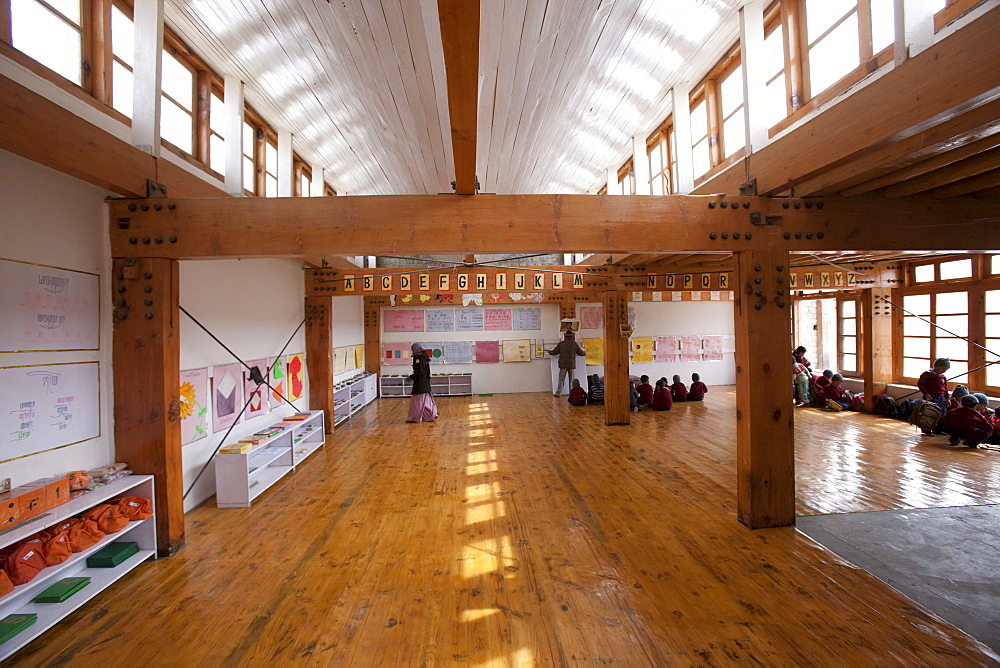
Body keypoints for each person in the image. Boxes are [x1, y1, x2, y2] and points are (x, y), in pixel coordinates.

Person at [406, 343, 438, 423]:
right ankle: (431, 414)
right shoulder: (424, 356)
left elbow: (419, 372)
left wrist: (411, 377)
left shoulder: (417, 358)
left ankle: (414, 418)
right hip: (426, 383)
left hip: (420, 385)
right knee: (426, 401)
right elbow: (427, 371)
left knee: (417, 403)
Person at [917, 358, 951, 434]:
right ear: (937, 366)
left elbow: (945, 388)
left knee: (942, 413)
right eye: (943, 368)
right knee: (929, 414)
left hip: (941, 398)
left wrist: (947, 398)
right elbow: (921, 384)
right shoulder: (927, 374)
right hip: (931, 397)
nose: (944, 370)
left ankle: (939, 429)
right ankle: (927, 429)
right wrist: (926, 393)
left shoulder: (943, 377)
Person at [547, 331, 585, 396]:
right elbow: (580, 353)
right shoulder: (574, 344)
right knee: (571, 380)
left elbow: (555, 352)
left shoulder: (561, 344)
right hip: (571, 364)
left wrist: (549, 351)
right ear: (572, 336)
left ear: (565, 336)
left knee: (561, 379)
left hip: (562, 365)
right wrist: (585, 353)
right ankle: (571, 393)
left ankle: (558, 393)